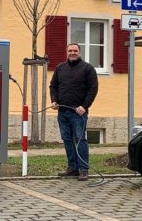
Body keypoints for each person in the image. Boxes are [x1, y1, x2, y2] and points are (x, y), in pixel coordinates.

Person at [49, 43, 98, 181]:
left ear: (79, 52)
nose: (72, 53)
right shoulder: (60, 68)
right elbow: (53, 86)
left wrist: (84, 106)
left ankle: (83, 169)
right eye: (70, 50)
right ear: (66, 52)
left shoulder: (88, 69)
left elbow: (93, 89)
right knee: (67, 140)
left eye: (75, 50)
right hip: (63, 112)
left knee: (80, 140)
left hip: (79, 113)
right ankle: (73, 168)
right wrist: (54, 100)